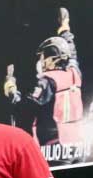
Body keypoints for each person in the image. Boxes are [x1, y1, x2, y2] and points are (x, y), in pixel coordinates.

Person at [5, 8, 82, 147]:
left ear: (53, 58)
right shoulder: (74, 73)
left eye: (44, 57)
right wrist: (65, 29)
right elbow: (72, 54)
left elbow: (23, 109)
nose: (42, 62)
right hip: (76, 145)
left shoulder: (48, 81)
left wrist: (11, 89)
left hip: (53, 148)